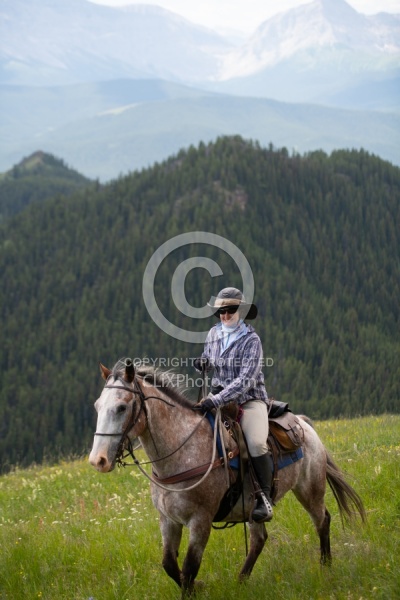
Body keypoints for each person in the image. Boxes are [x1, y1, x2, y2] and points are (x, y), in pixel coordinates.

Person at [193, 287, 273, 523]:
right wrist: (201, 363)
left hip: (249, 401)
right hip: (217, 397)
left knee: (257, 443)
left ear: (241, 311)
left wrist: (216, 399)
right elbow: (208, 357)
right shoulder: (214, 334)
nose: (225, 315)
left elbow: (245, 380)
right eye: (221, 311)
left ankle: (264, 500)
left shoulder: (252, 340)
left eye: (230, 310)